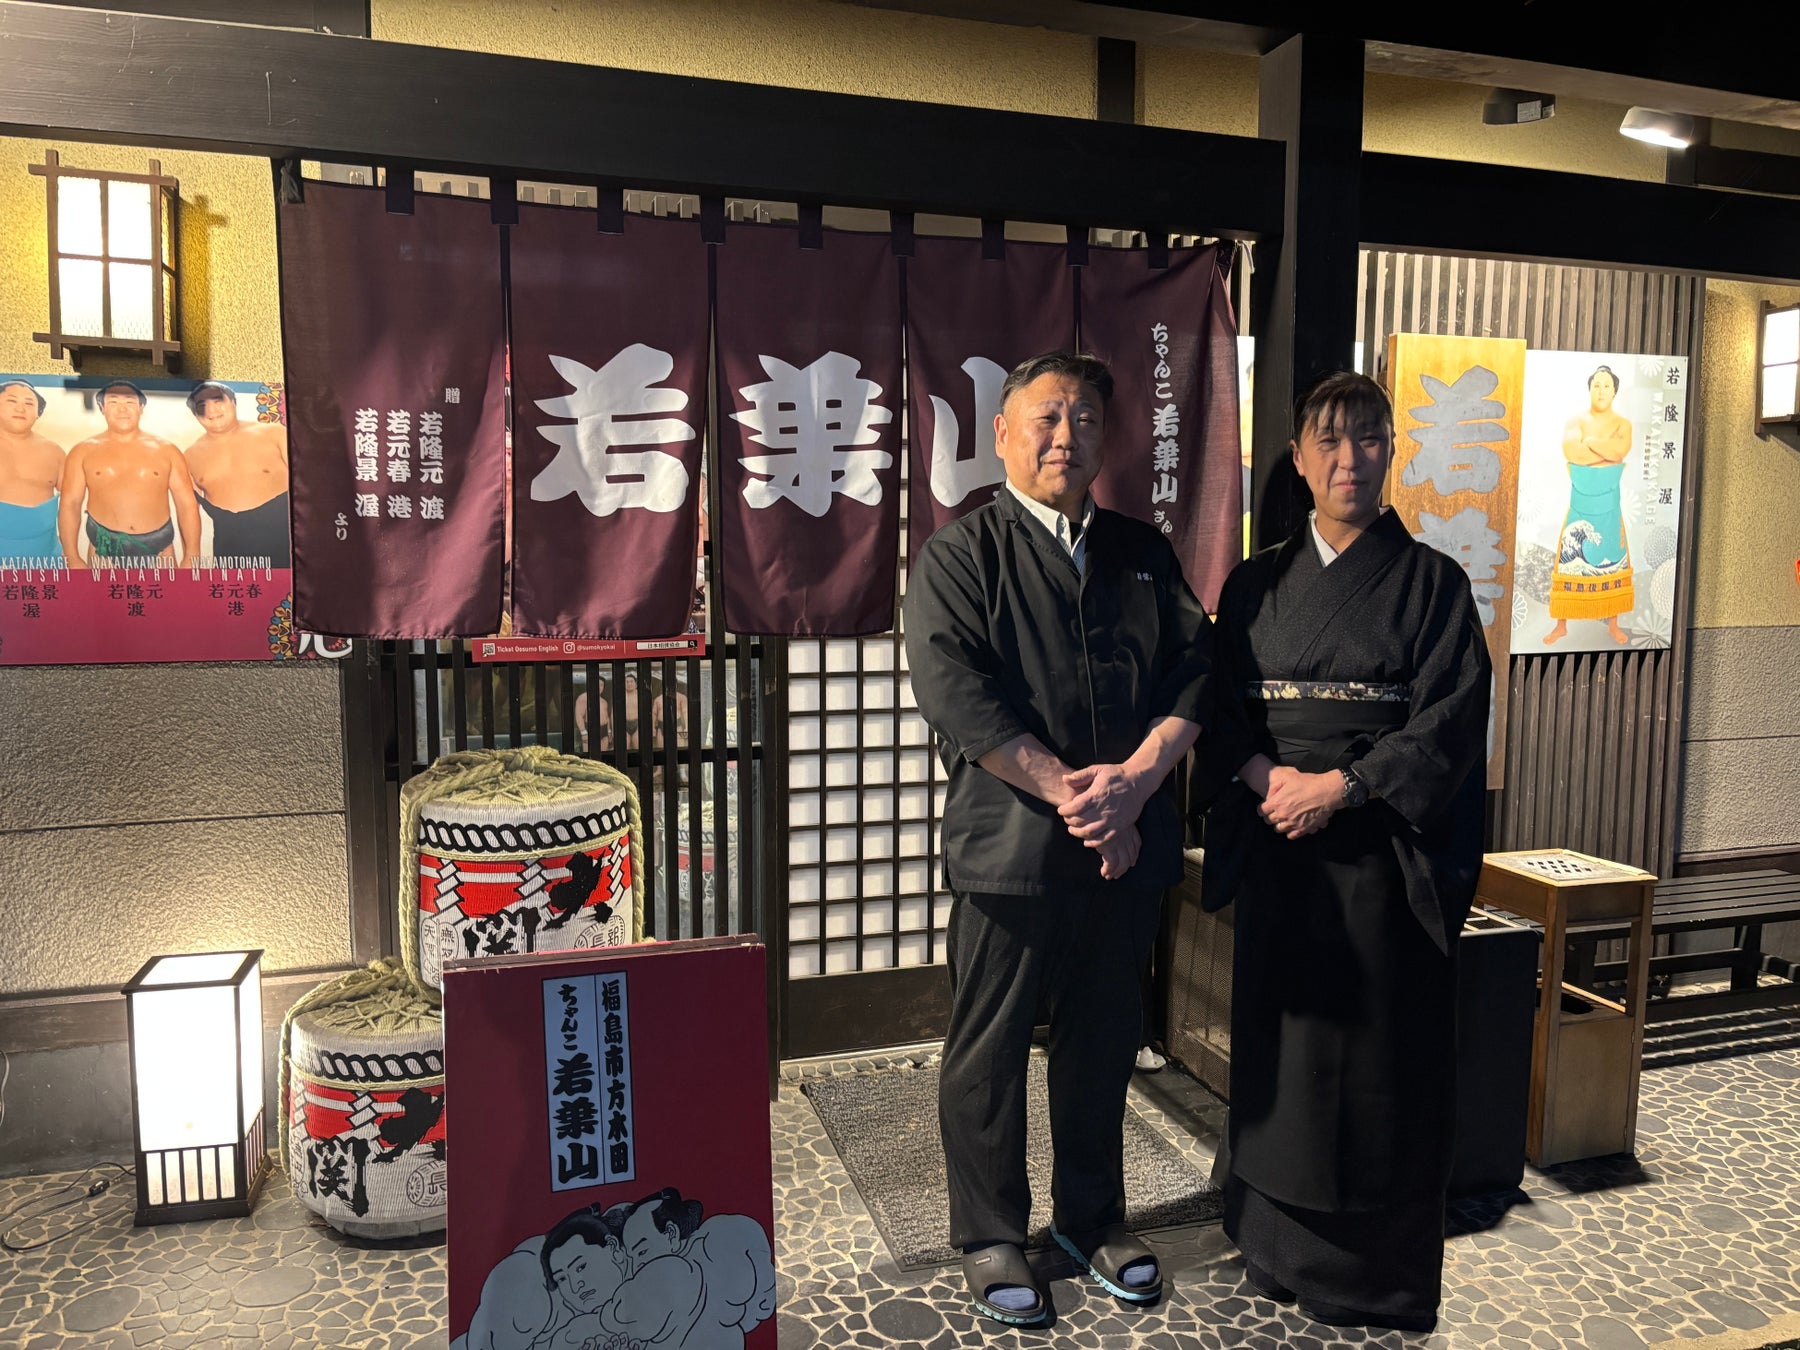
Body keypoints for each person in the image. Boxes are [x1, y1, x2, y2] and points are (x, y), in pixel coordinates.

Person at [903, 351, 1212, 1326]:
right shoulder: (960, 555)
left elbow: (1196, 672)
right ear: (1002, 434)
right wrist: (1082, 798)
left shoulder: (1142, 552)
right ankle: (991, 1232)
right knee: (988, 1051)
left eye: (1083, 419)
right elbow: (956, 694)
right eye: (1045, 417)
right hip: (1011, 852)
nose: (1064, 436)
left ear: (1104, 438)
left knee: (1105, 1041)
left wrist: (1139, 782)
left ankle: (1091, 1218)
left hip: (1127, 850)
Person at [1190, 371, 1490, 1333]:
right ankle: (1271, 1246)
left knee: (1373, 1064)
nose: (1348, 458)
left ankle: (1370, 1277)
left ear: (1392, 450)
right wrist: (1265, 778)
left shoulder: (1433, 584)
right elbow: (1217, 707)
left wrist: (1346, 787)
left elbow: (1450, 722)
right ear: (1297, 457)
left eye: (1367, 438)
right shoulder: (1254, 584)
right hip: (1282, 847)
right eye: (1327, 439)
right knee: (1283, 1055)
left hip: (1381, 861)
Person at [58, 379, 200, 565]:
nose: (122, 409)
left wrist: (192, 556)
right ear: (102, 407)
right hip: (103, 549)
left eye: (129, 402)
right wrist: (71, 556)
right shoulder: (82, 452)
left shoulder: (167, 451)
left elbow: (186, 504)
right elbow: (70, 504)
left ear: (141, 407)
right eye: (113, 402)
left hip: (159, 550)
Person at [1545, 364, 1633, 645]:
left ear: (1615, 391)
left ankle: (1613, 624)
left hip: (1609, 504)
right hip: (1581, 502)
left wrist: (1591, 442)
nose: (1601, 390)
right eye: (1597, 384)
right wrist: (1604, 451)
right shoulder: (1576, 421)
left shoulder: (1623, 424)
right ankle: (1561, 625)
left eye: (1607, 385)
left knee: (1613, 559)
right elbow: (1574, 453)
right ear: (1589, 389)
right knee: (1569, 559)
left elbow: (1619, 452)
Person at [181, 379, 292, 566]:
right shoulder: (189, 456)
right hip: (229, 548)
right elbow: (188, 510)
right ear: (195, 414)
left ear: (233, 402)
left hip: (285, 540)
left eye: (218, 401)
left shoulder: (275, 434)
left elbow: (307, 485)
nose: (211, 410)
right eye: (202, 406)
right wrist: (191, 554)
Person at [0, 380, 64, 565]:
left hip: (46, 557)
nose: (21, 409)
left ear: (38, 413)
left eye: (29, 403)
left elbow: (72, 504)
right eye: (12, 401)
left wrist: (70, 551)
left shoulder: (54, 452)